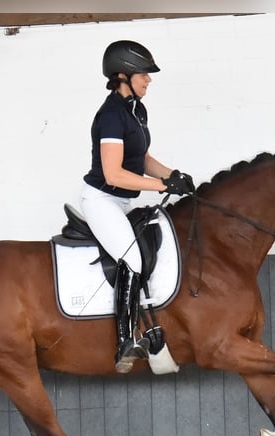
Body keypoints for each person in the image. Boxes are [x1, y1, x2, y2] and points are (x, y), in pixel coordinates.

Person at [81, 40, 195, 374]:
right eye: (143, 74)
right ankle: (124, 342)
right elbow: (114, 172)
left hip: (121, 200)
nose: (149, 80)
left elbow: (140, 158)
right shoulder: (111, 115)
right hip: (101, 199)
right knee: (131, 257)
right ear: (122, 76)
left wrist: (172, 174)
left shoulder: (136, 109)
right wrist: (161, 186)